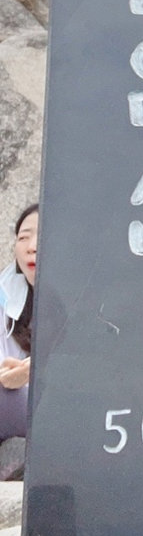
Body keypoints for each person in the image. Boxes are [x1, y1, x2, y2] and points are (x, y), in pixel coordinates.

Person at [0, 204, 37, 476]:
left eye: (42, 235)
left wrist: (36, 370)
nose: (31, 247)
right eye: (23, 238)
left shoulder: (89, 295)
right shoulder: (6, 297)